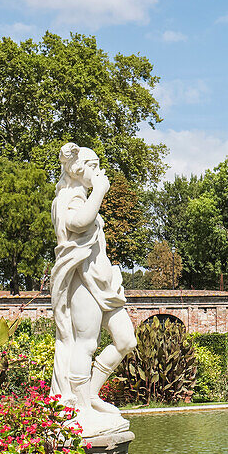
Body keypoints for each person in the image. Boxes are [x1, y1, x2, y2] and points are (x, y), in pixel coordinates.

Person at [50, 143, 136, 436]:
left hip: (102, 280)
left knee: (126, 341)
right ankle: (79, 406)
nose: (99, 172)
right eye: (94, 166)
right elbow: (78, 223)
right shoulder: (67, 197)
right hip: (82, 280)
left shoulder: (81, 195)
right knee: (84, 344)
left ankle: (91, 394)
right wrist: (100, 190)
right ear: (77, 168)